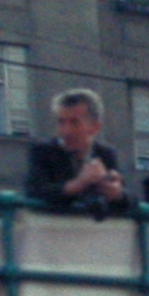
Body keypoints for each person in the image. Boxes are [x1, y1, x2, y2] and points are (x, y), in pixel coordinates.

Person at [23, 88, 129, 217]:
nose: (65, 131)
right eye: (61, 122)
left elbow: (132, 199)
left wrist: (116, 193)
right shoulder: (43, 151)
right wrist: (79, 183)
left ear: (95, 127)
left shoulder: (106, 154)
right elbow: (34, 192)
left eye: (74, 123)